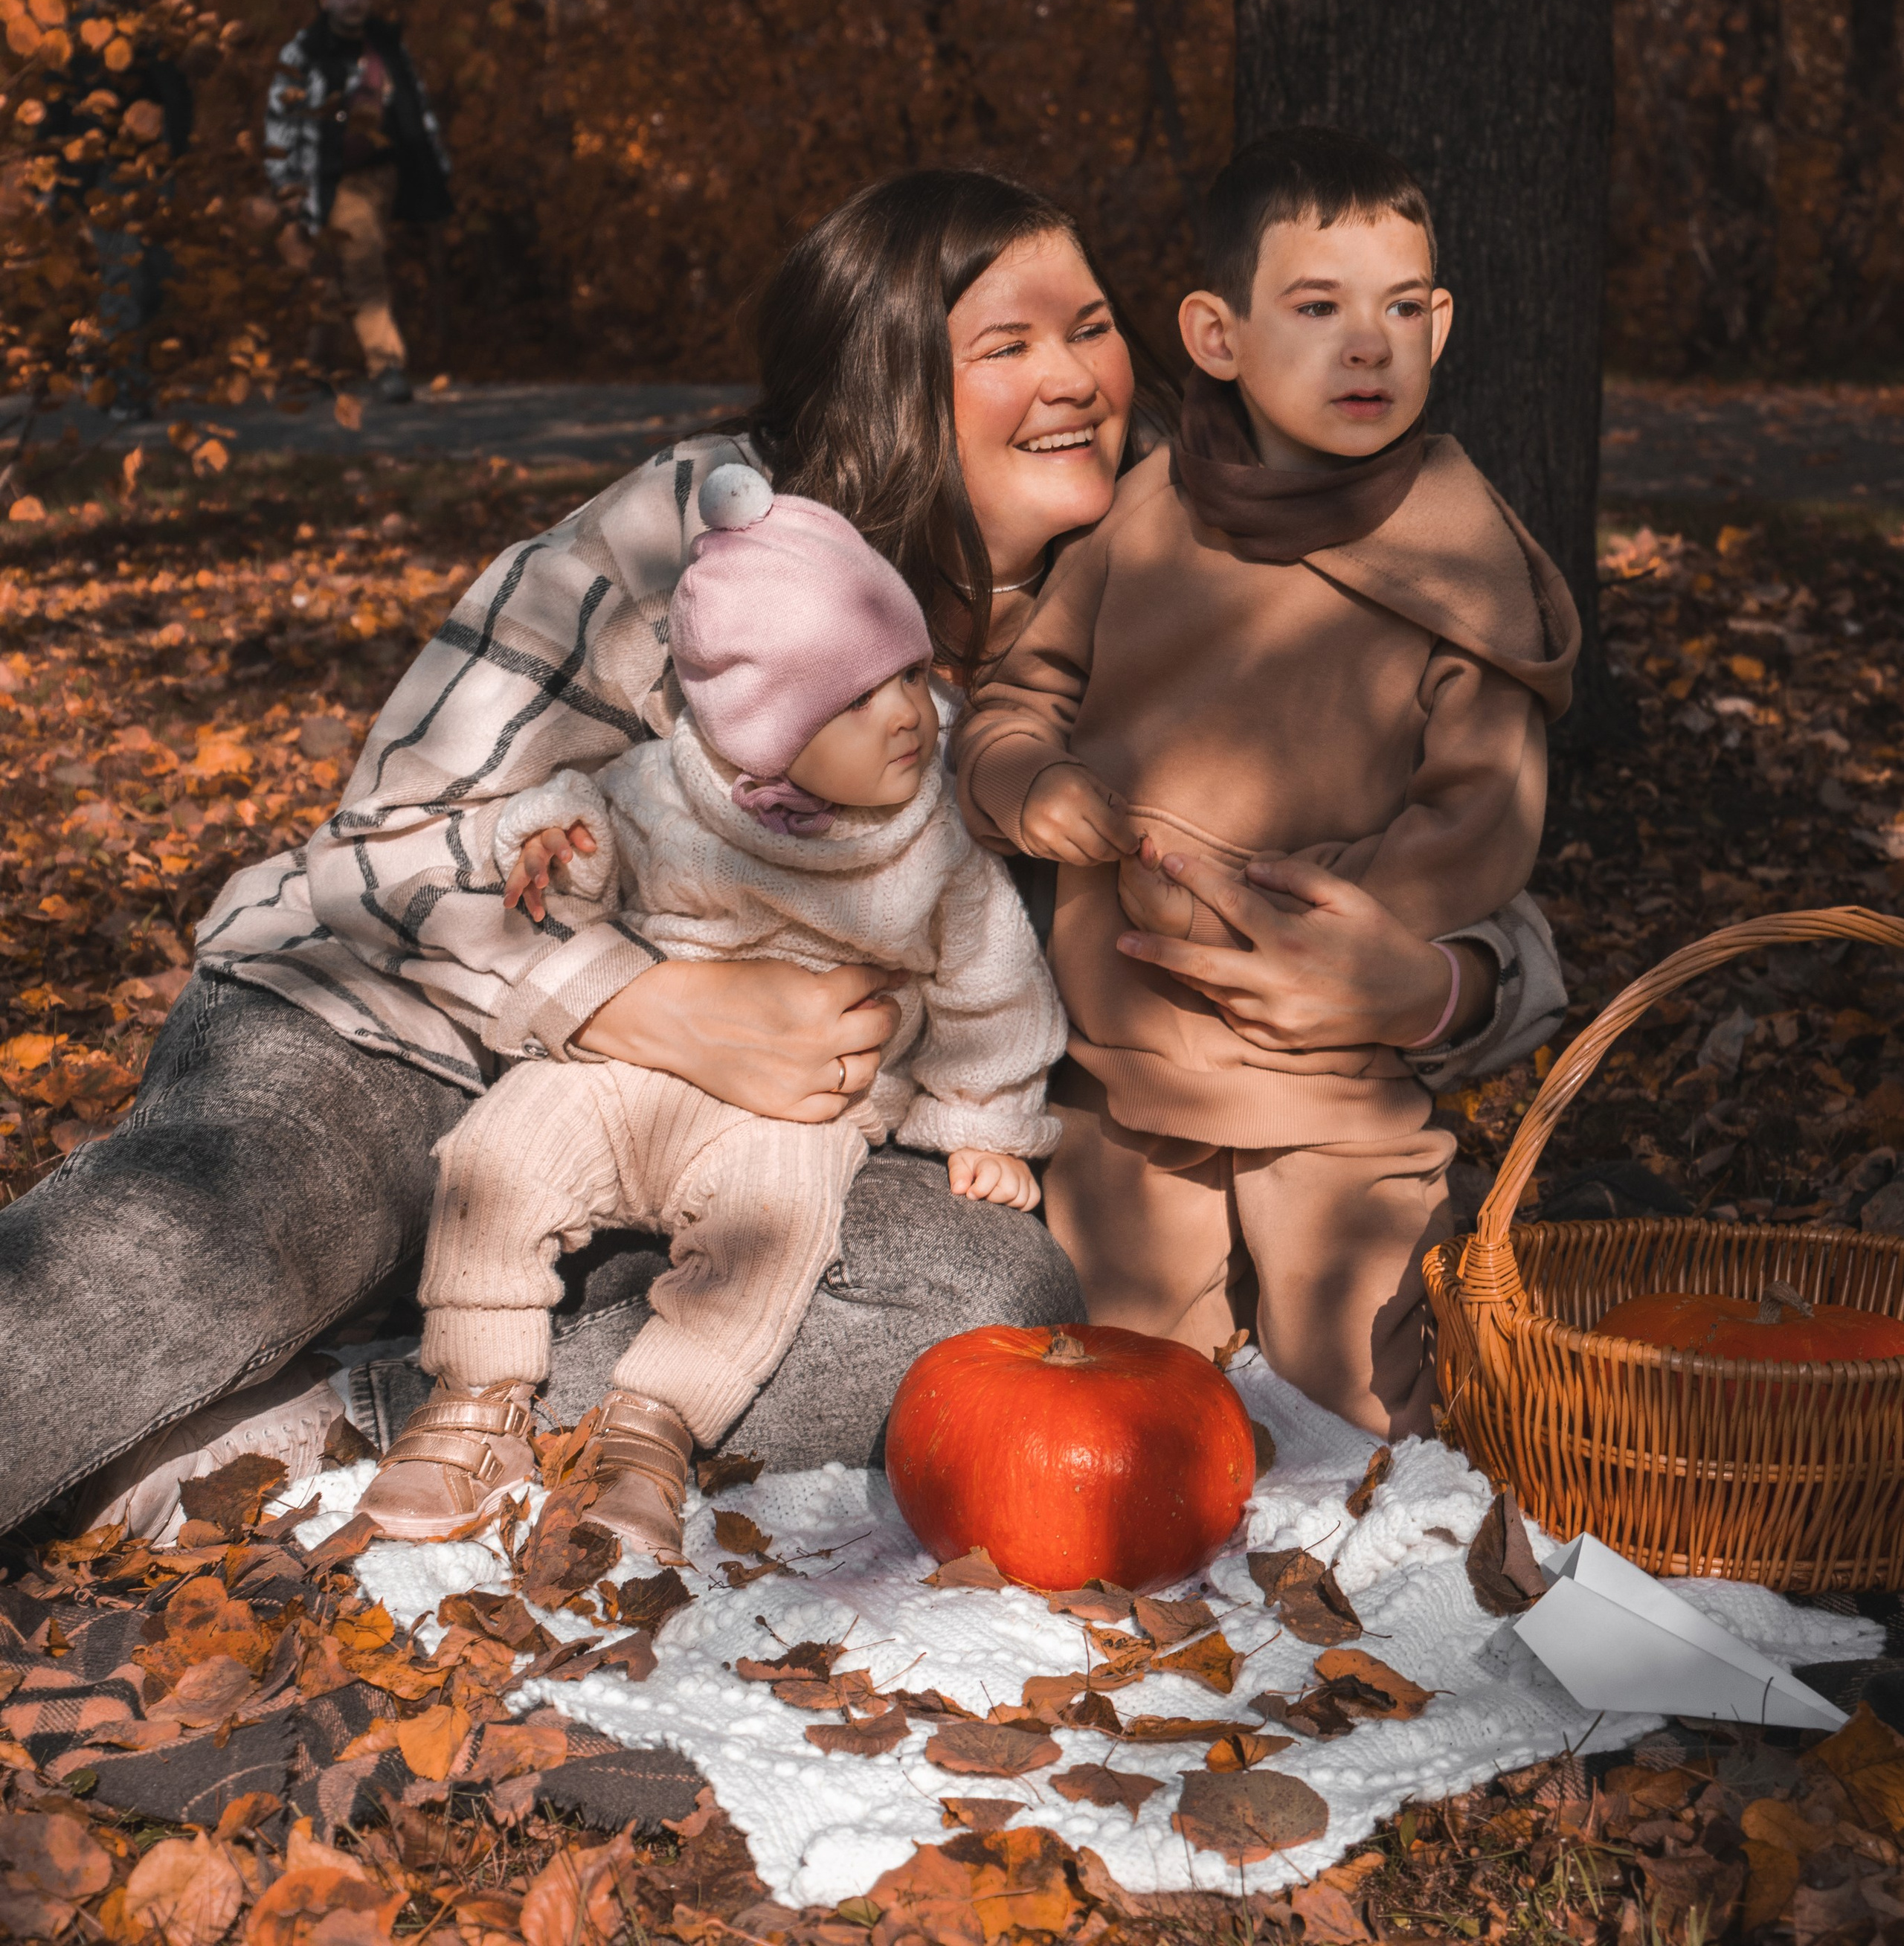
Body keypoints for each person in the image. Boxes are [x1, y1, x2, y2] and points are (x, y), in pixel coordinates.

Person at [0, 167, 1563, 1547]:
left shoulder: (1172, 577)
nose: (1078, 376)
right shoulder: (703, 532)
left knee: (995, 1303)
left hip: (746, 1175)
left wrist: (1431, 984)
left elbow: (1471, 874)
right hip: (396, 1048)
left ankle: (336, 1420)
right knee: (213, 1254)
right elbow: (379, 847)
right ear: (893, 384)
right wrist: (628, 1001)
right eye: (1004, 345)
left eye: (1090, 328)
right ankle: (265, 1319)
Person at [956, 128, 1580, 1437]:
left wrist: (1320, 912)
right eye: (1318, 308)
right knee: (1124, 1397)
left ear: (1441, 324)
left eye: (1403, 309)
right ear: (1218, 335)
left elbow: (1483, 817)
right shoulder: (1147, 513)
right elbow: (1023, 696)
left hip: (1327, 1070)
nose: (1369, 343)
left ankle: (1384, 1592)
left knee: (1359, 1401)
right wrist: (1032, 780)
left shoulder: (1464, 565)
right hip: (1124, 1066)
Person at [358, 475, 1064, 1551]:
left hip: (794, 1114)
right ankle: (473, 1395)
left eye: (917, 676)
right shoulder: (670, 790)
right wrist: (557, 843)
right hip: (620, 1075)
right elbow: (594, 860)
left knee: (778, 1234)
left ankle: (653, 1429)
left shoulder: (935, 847)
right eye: (860, 698)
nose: (912, 715)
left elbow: (995, 990)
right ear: (760, 729)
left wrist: (983, 1125)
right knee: (498, 1152)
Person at [263, 0, 451, 402]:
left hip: (372, 175)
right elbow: (280, 118)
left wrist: (435, 166)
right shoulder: (303, 50)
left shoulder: (386, 47)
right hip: (313, 176)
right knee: (321, 269)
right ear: (324, 0)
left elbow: (416, 107)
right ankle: (318, 364)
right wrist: (283, 183)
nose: (353, 2)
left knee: (361, 258)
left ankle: (385, 366)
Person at [36, 0, 194, 415]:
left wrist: (175, 155)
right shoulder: (72, 36)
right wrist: (51, 177)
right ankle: (124, 388)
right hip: (99, 173)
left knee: (154, 275)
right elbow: (55, 109)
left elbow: (180, 99)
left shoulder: (154, 32)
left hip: (152, 171)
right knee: (123, 273)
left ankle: (94, 356)